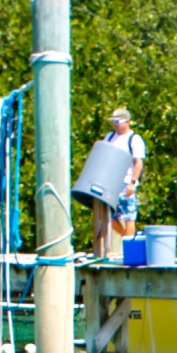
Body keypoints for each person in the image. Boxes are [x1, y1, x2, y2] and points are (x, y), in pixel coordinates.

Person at [76, 106, 147, 262]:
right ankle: (125, 239)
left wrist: (132, 183)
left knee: (129, 216)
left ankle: (130, 249)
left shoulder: (134, 139)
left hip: (126, 182)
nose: (115, 125)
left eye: (118, 122)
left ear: (127, 121)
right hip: (110, 183)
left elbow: (138, 163)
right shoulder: (109, 137)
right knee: (109, 216)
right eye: (113, 122)